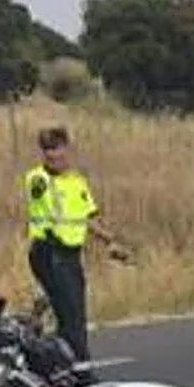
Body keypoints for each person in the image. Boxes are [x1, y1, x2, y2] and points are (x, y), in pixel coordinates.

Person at [23, 125, 129, 370]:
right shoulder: (38, 178)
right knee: (71, 318)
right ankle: (80, 371)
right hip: (49, 251)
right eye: (47, 149)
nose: (52, 154)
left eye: (56, 148)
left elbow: (88, 217)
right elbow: (38, 192)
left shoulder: (77, 182)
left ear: (67, 149)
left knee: (75, 314)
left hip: (70, 256)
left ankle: (55, 356)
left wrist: (110, 241)